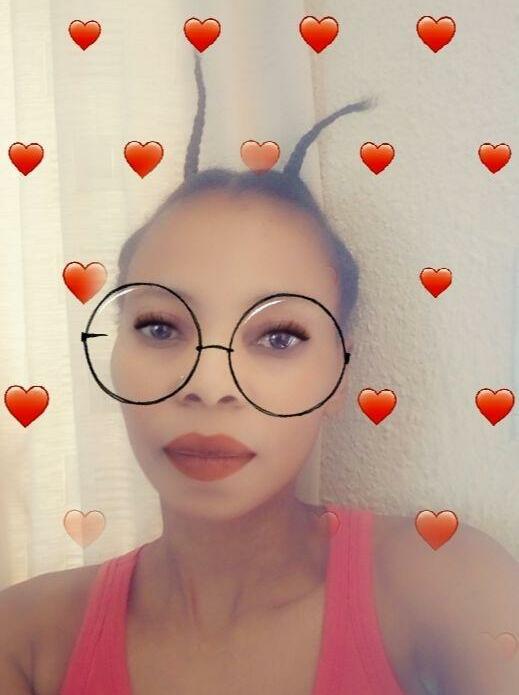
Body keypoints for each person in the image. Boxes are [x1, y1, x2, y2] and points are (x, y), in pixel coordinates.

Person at [1, 52, 518, 695]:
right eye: (160, 328)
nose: (209, 386)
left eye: (278, 337)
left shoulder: (446, 585)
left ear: (339, 375)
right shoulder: (25, 638)